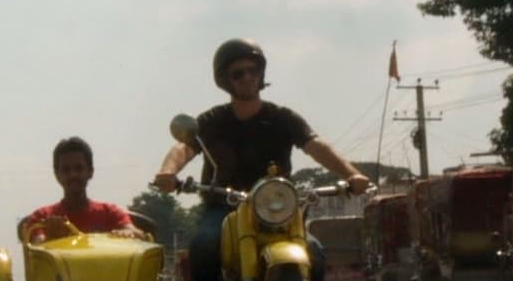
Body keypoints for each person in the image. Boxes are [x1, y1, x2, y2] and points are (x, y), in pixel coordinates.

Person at [153, 38, 373, 281]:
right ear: (226, 80)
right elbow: (184, 147)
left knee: (315, 252)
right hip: (225, 207)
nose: (247, 77)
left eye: (252, 70)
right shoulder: (213, 120)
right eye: (238, 73)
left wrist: (352, 174)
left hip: (278, 208)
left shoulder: (282, 118)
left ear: (261, 73)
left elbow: (316, 146)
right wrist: (168, 172)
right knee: (204, 245)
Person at [19, 136, 146, 242]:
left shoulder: (110, 213)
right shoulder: (42, 217)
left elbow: (136, 233)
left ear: (90, 172)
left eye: (79, 168)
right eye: (66, 170)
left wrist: (128, 233)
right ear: (57, 174)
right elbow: (36, 246)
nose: (73, 175)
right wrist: (51, 238)